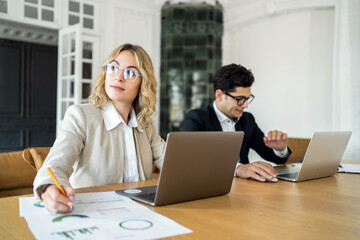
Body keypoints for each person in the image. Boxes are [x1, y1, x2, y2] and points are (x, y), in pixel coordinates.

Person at [33, 43, 165, 213]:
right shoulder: (80, 116)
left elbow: (174, 163)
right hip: (96, 212)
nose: (118, 77)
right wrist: (49, 189)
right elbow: (55, 165)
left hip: (141, 212)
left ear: (143, 83)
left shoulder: (145, 124)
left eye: (130, 72)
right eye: (113, 68)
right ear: (105, 74)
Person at [182, 63, 291, 182]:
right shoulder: (197, 118)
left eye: (247, 98)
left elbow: (274, 157)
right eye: (239, 99)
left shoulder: (247, 120)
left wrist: (280, 149)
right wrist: (238, 169)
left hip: (243, 187)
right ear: (219, 95)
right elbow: (193, 161)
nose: (245, 105)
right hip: (208, 184)